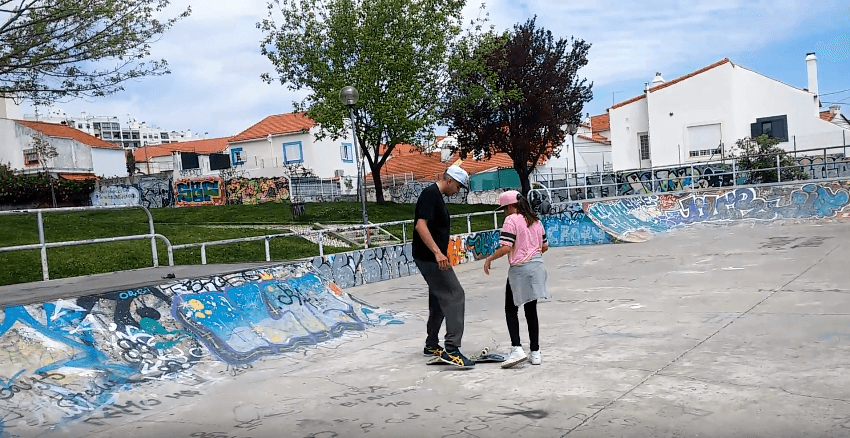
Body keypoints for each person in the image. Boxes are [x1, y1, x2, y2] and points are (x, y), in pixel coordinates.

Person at [413, 164, 475, 368]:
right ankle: (452, 349)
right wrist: (437, 252)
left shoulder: (436, 196)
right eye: (458, 186)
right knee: (456, 294)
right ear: (449, 180)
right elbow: (420, 225)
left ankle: (431, 344)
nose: (458, 191)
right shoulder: (430, 194)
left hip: (433, 256)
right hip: (430, 257)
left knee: (439, 298)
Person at [483, 190, 549, 368]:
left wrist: (490, 258)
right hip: (537, 267)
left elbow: (506, 247)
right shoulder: (535, 220)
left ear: (512, 206)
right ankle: (535, 352)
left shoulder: (511, 220)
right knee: (531, 310)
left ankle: (517, 348)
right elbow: (545, 246)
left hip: (520, 268)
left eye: (505, 208)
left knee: (511, 309)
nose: (504, 212)